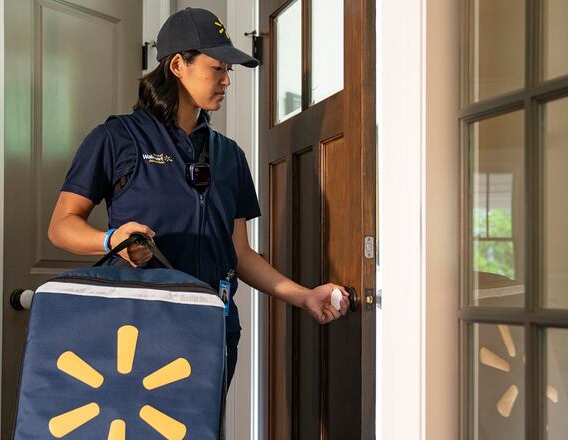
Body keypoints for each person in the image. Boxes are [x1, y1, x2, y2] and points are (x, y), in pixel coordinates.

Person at [47, 7, 350, 385]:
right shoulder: (116, 138)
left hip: (211, 329)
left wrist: (304, 296)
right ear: (177, 65)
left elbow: (240, 254)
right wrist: (111, 240)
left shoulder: (230, 156)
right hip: (138, 330)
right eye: (217, 68)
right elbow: (61, 226)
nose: (226, 80)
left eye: (229, 71)